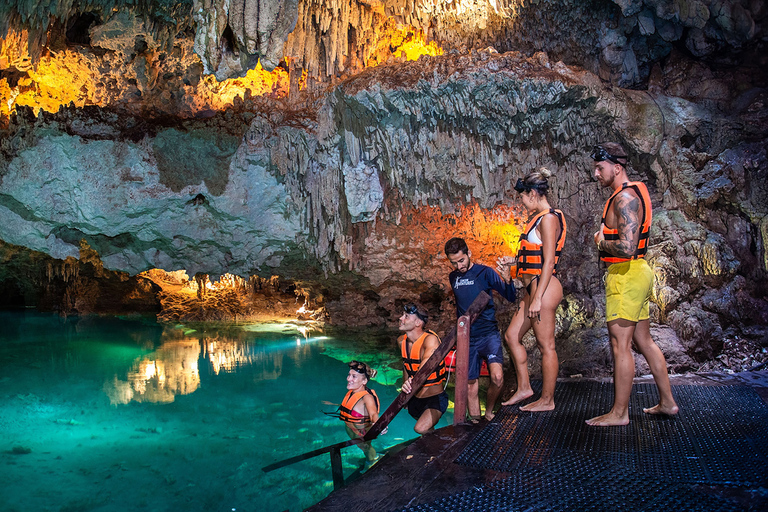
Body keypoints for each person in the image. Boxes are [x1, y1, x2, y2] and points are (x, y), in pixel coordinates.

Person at [586, 142, 679, 426]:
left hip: (626, 274)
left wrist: (601, 241)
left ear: (617, 167)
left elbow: (627, 247)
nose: (595, 174)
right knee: (644, 340)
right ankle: (667, 402)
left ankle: (619, 413)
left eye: (600, 168)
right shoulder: (629, 193)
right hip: (637, 271)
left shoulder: (625, 197)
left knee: (620, 345)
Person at [498, 167, 567, 411]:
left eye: (523, 197)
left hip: (544, 289)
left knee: (545, 345)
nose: (522, 202)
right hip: (533, 288)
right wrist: (514, 262)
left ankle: (547, 400)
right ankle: (525, 387)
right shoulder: (536, 219)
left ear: (533, 194)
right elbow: (533, 255)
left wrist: (537, 298)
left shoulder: (548, 218)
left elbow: (548, 261)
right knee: (511, 335)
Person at [444, 237, 517, 421]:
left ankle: (489, 412)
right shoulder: (453, 278)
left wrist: (508, 280)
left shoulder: (485, 272)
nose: (459, 266)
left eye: (461, 260)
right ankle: (476, 422)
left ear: (469, 254)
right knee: (470, 383)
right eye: (454, 263)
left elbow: (510, 297)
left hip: (489, 334)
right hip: (467, 339)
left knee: (498, 377)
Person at [399, 302, 449, 434]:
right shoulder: (401, 341)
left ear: (418, 323)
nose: (400, 318)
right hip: (414, 400)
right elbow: (406, 365)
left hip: (434, 399)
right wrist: (405, 393)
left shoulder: (430, 340)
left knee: (420, 428)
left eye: (406, 316)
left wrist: (411, 384)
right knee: (428, 433)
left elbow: (426, 368)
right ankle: (436, 451)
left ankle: (441, 447)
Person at [339, 361, 381, 463]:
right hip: (351, 429)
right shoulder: (352, 392)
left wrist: (379, 424)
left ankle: (373, 461)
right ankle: (370, 459)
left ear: (364, 381)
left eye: (354, 376)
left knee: (367, 449)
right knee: (363, 449)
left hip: (362, 433)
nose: (348, 379)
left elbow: (373, 414)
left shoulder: (367, 397)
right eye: (349, 375)